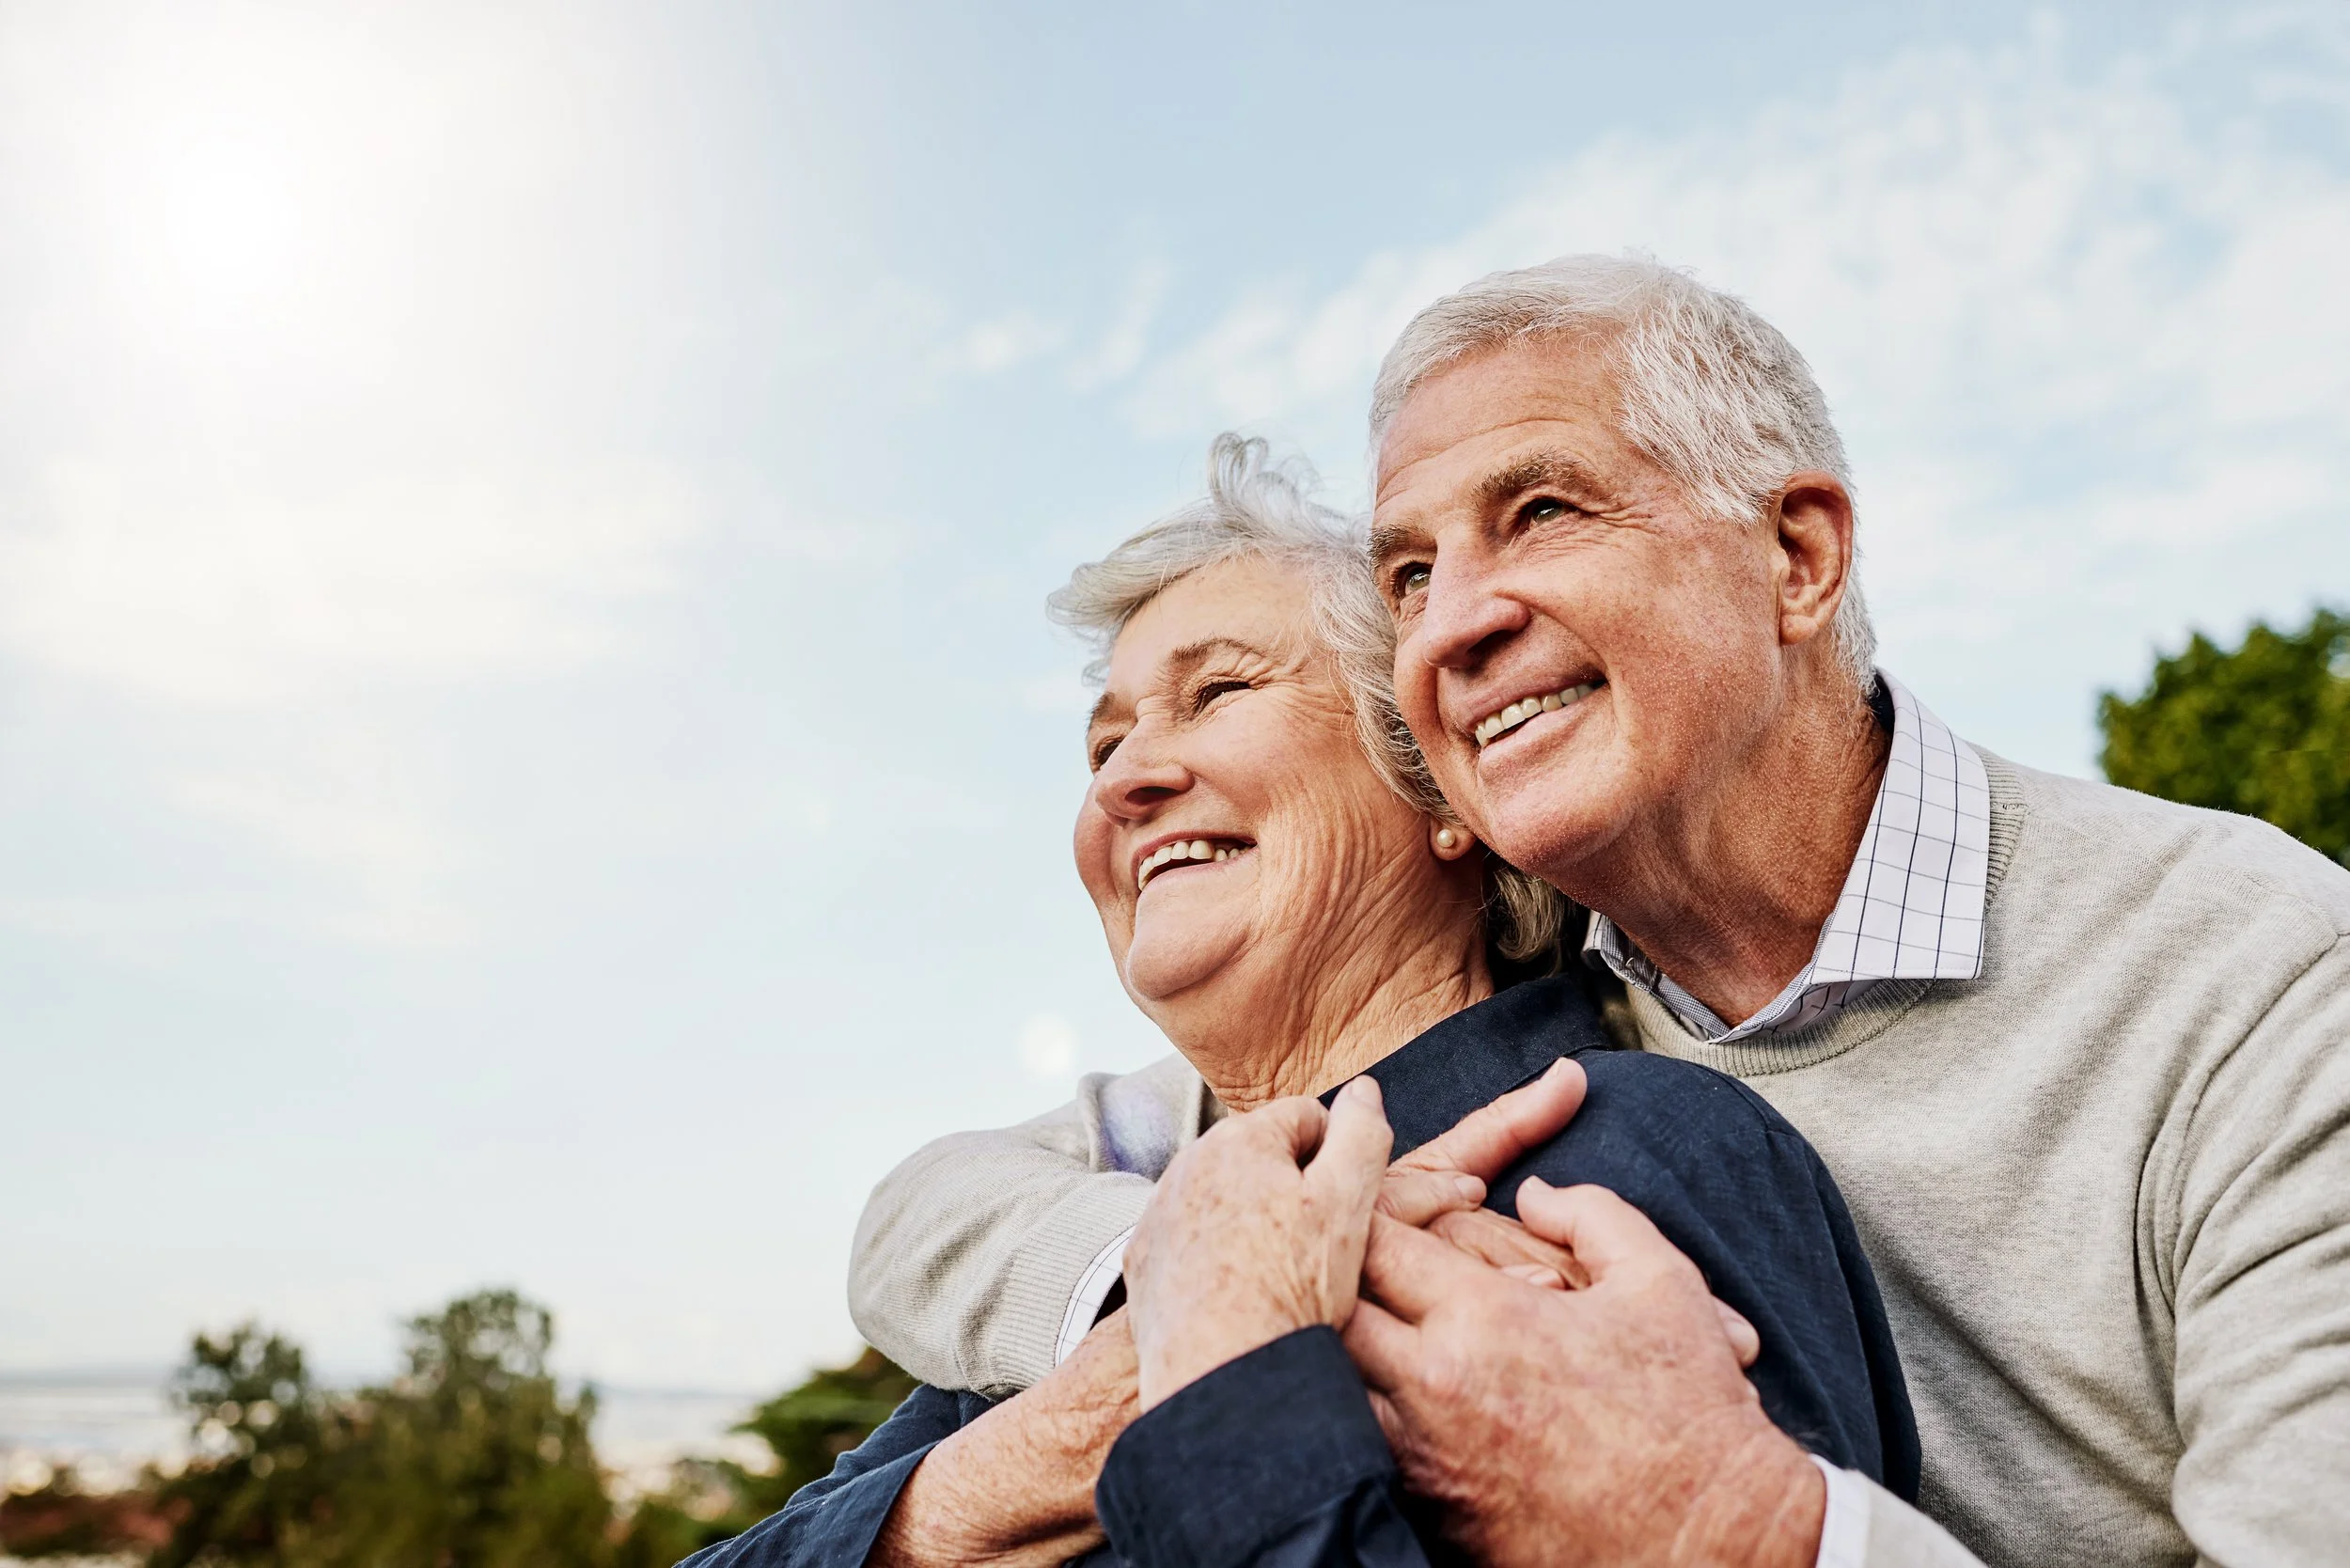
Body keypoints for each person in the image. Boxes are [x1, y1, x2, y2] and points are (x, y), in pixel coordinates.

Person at [854, 256, 2350, 1567]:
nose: (1453, 623)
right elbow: (942, 1209)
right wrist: (1198, 1280)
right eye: (1413, 571)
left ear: (1798, 556)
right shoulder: (1518, 1009)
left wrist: (1748, 1530)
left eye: (1543, 510)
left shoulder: (2260, 978)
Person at [682, 437, 1916, 1568]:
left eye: (1216, 693)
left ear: (1441, 789)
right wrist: (1024, 1465)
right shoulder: (1099, 1280)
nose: (1126, 782)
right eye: (1102, 746)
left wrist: (1233, 1377)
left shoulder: (1637, 1162)